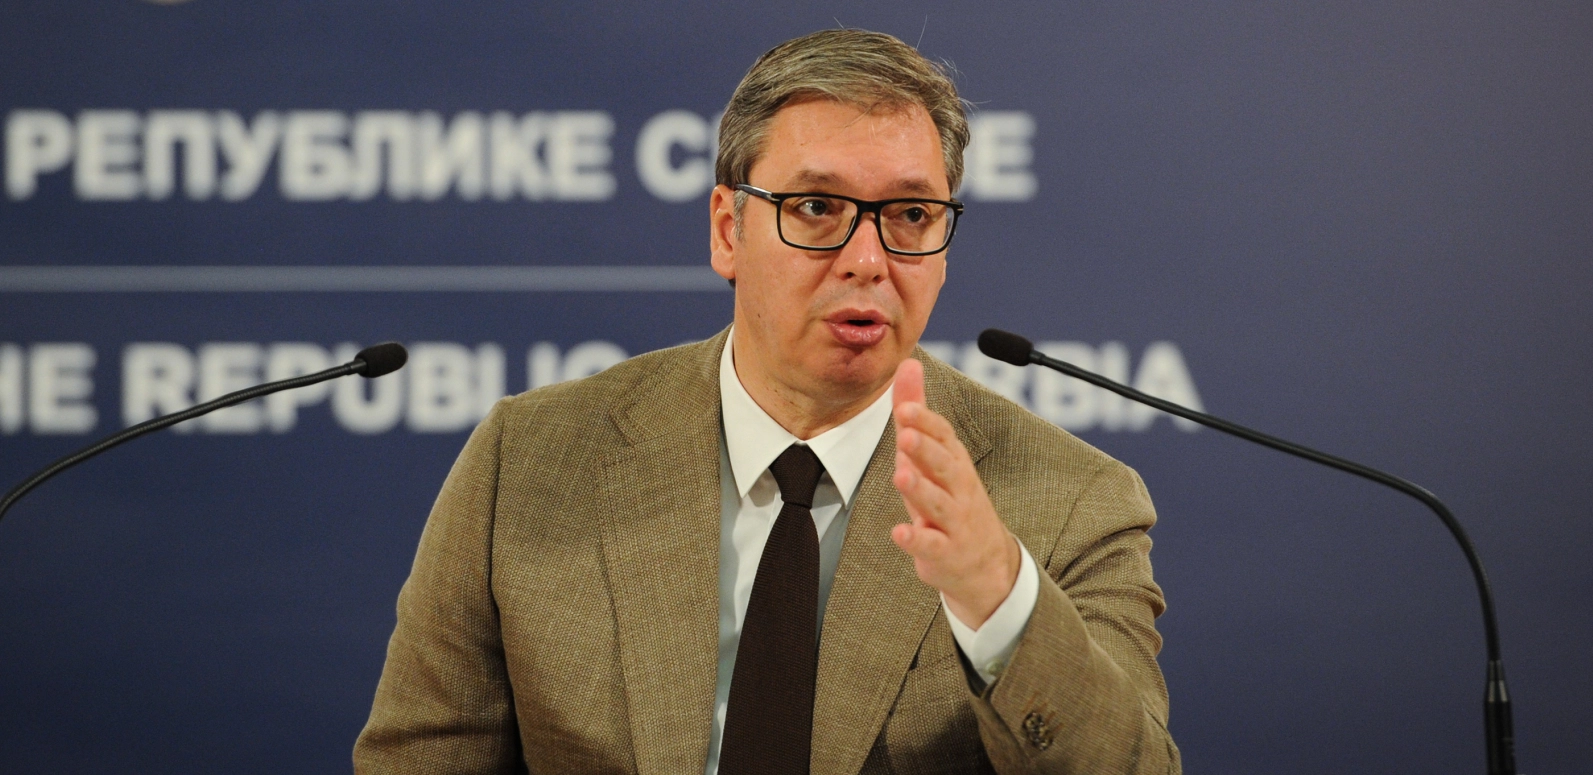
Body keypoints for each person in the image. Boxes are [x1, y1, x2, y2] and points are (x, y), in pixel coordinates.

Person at [355, 29, 1179, 774]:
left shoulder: (1073, 502)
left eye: (909, 214)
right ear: (728, 230)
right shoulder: (529, 458)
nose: (867, 258)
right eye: (816, 208)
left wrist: (998, 600)